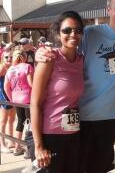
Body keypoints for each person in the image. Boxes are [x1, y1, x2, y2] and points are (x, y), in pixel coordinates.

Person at [36, 0, 115, 173]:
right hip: (81, 118)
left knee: (100, 169)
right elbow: (67, 49)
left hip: (110, 119)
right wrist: (42, 52)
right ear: (108, 10)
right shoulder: (89, 33)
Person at [30, 11, 84, 172]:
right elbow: (34, 103)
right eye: (67, 30)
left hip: (74, 134)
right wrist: (38, 146)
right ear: (58, 34)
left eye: (78, 30)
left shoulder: (81, 60)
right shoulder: (49, 59)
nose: (73, 34)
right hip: (50, 136)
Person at [4, 49, 34, 156]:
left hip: (16, 99)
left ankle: (17, 148)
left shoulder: (10, 69)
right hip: (28, 99)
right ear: (25, 57)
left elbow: (6, 87)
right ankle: (29, 150)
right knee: (30, 122)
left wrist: (11, 99)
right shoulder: (27, 67)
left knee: (20, 122)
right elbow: (31, 84)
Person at [0, 50, 16, 153]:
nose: (9, 59)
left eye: (10, 57)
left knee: (12, 120)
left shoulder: (13, 67)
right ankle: (2, 144)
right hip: (3, 97)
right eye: (6, 57)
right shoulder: (2, 68)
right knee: (3, 121)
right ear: (2, 58)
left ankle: (11, 142)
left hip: (12, 97)